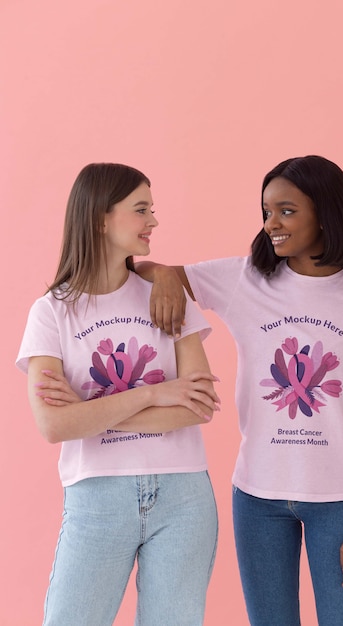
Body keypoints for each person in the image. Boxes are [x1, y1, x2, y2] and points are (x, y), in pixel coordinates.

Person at [135, 155, 343, 626]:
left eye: (286, 210)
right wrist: (163, 276)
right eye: (266, 212)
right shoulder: (244, 279)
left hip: (339, 502)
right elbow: (147, 269)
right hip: (257, 498)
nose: (270, 224)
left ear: (325, 212)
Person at [16, 163, 220, 626]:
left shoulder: (167, 296)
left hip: (183, 496)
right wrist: (157, 394)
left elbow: (199, 406)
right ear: (100, 219)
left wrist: (88, 412)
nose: (154, 221)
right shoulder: (51, 313)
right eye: (141, 209)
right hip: (96, 497)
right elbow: (54, 425)